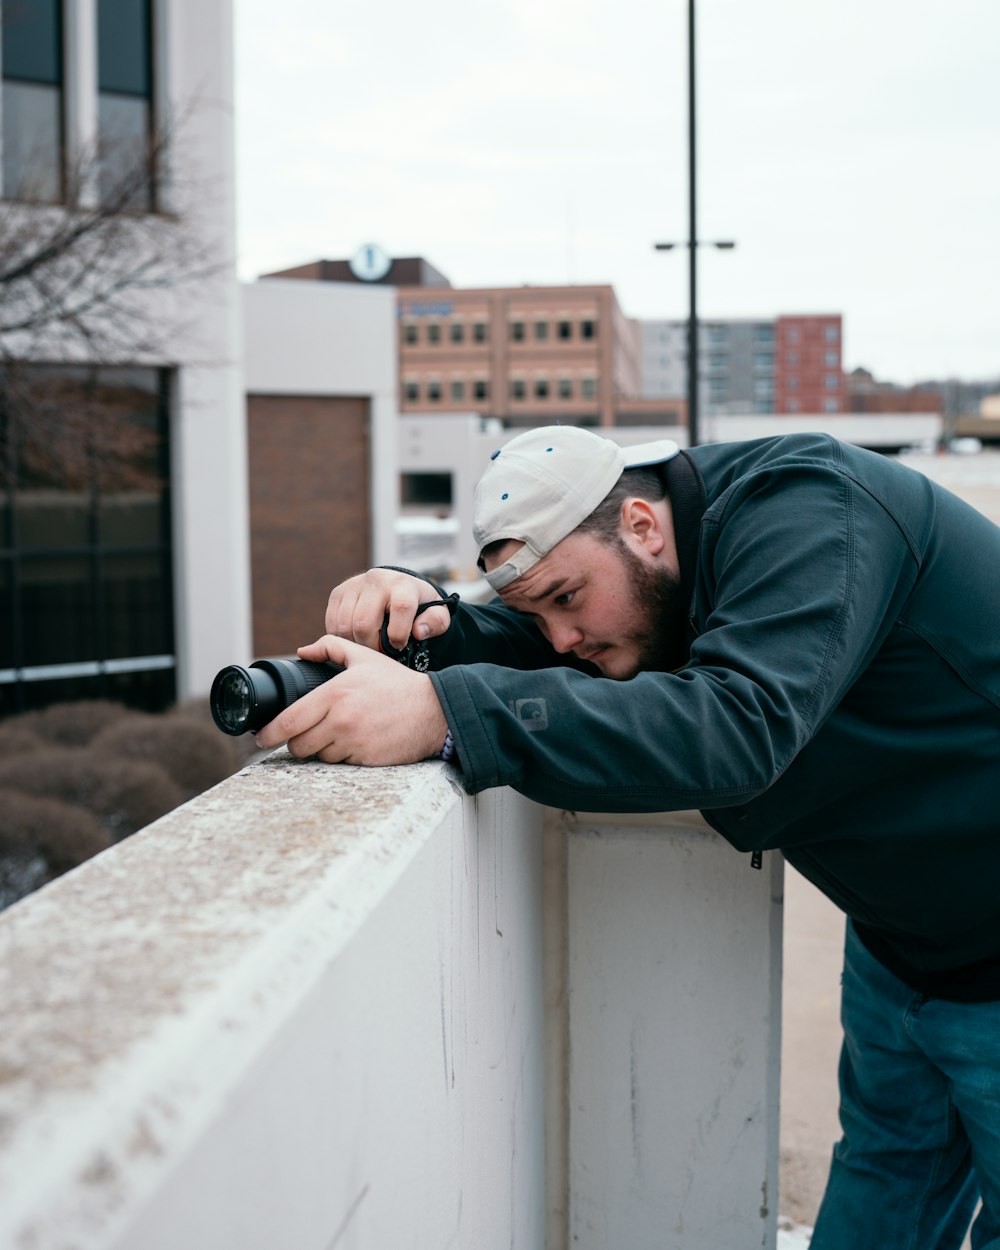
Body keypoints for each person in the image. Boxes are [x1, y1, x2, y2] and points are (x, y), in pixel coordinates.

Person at [255, 423, 1000, 1249]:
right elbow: (579, 652)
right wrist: (431, 627)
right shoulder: (655, 565)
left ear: (643, 525)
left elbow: (738, 725)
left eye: (566, 599)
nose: (562, 637)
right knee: (886, 1183)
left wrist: (444, 715)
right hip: (903, 945)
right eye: (535, 612)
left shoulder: (812, 509)